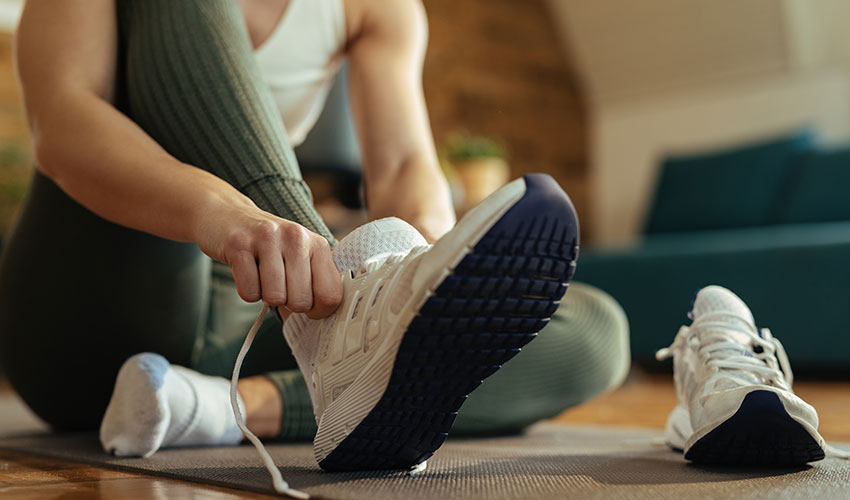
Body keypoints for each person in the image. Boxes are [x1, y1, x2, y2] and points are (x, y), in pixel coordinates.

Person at [0, 0, 629, 479]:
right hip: (93, 308)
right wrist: (228, 215)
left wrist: (432, 276)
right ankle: (332, 334)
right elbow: (61, 121)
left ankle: (233, 406)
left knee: (597, 329)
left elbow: (406, 169)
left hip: (248, 308)